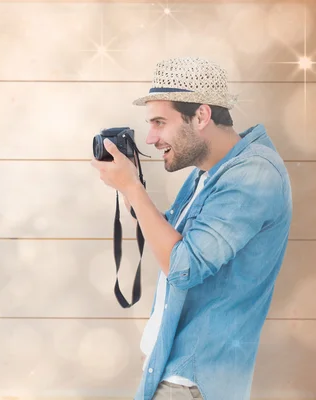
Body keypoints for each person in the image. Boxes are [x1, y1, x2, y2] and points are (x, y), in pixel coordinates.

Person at [91, 57, 292, 400]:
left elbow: (182, 267)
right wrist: (128, 186)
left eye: (159, 122)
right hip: (173, 373)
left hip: (191, 385)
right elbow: (170, 236)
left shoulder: (252, 174)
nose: (151, 137)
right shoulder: (211, 171)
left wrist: (135, 190)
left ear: (201, 116)